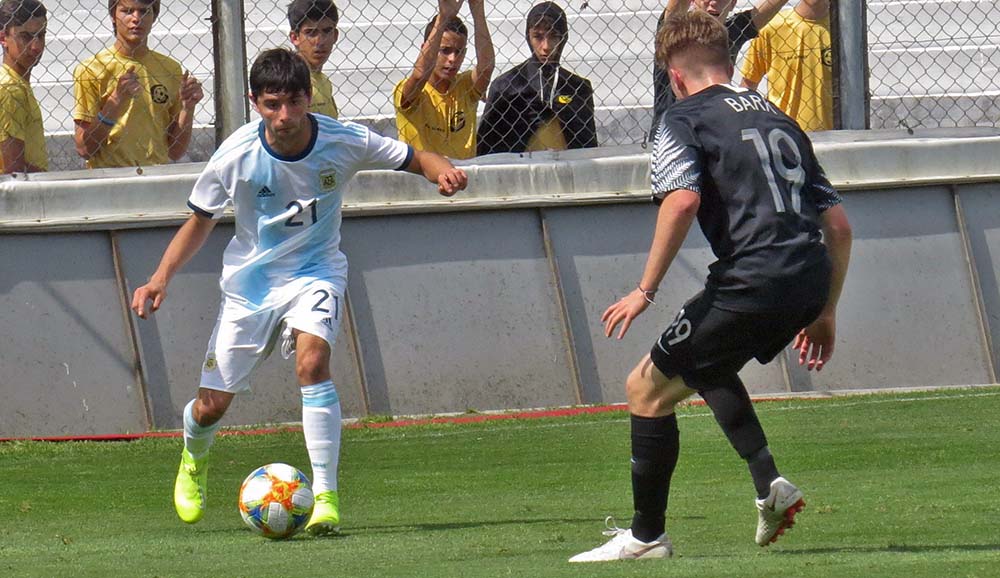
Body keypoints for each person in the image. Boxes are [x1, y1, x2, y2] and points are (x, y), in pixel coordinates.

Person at [130, 47, 468, 536]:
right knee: (211, 406)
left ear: (309, 98)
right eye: (272, 104)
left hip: (316, 272)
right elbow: (200, 221)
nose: (284, 115)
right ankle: (193, 460)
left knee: (312, 362)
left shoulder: (342, 139)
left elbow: (415, 157)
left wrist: (444, 172)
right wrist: (160, 277)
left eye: (293, 102)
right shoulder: (236, 154)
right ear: (255, 103)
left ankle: (326, 497)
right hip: (251, 287)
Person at [570, 10, 851, 562]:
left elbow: (681, 200)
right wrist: (825, 311)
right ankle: (768, 482)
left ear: (675, 76)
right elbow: (838, 225)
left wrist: (644, 290)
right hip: (810, 275)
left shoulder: (683, 117)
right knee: (706, 360)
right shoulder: (779, 117)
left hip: (753, 277)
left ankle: (646, 538)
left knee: (644, 388)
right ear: (728, 60)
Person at [73, 0, 203, 168]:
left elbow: (175, 151)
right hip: (110, 176)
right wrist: (115, 102)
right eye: (127, 11)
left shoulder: (170, 68)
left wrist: (187, 108)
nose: (136, 18)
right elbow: (84, 149)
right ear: (113, 15)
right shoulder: (91, 69)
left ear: (154, 16)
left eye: (144, 11)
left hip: (157, 175)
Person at [651, 0, 789, 136]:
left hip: (713, 132)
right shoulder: (676, 33)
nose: (714, 2)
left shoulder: (730, 32)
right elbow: (675, 10)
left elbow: (762, 13)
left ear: (732, 3)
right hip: (670, 130)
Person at [477, 1, 597, 155]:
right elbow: (485, 148)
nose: (546, 46)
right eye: (538, 37)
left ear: (563, 38)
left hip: (568, 167)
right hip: (518, 168)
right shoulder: (506, 86)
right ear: (528, 37)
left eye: (553, 36)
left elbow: (588, 147)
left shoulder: (578, 88)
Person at [394, 0, 493, 160]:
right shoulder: (410, 89)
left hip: (463, 172)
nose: (453, 59)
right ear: (427, 49)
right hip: (422, 173)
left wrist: (477, 11)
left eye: (459, 52)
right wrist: (442, 18)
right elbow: (420, 75)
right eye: (445, 51)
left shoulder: (465, 86)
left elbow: (486, 67)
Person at [740, 0, 833, 131]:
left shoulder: (844, 31)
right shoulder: (772, 27)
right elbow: (748, 86)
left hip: (837, 133)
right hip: (786, 133)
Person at [0, 0, 47, 173]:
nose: (36, 47)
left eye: (41, 35)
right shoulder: (11, 89)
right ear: (3, 38)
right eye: (25, 36)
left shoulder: (17, 84)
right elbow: (14, 171)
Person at [288, 0, 340, 119]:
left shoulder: (324, 81)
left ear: (335, 35)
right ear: (295, 37)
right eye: (311, 33)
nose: (320, 41)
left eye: (327, 31)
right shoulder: (290, 83)